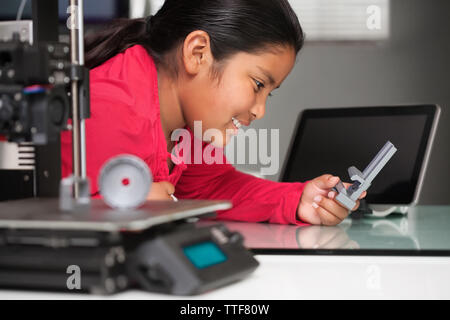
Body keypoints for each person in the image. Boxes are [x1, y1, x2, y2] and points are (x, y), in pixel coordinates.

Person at [61, 0, 365, 226]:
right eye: (258, 84)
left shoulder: (191, 124)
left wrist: (297, 200)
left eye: (268, 93)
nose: (259, 111)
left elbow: (210, 187)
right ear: (198, 54)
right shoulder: (105, 107)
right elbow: (59, 216)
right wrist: (124, 211)